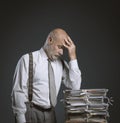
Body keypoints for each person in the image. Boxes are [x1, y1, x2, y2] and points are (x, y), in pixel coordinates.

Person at [11, 28, 82, 123]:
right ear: (50, 40)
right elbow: (18, 92)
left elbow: (75, 88)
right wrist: (20, 120)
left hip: (51, 115)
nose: (62, 52)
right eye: (60, 47)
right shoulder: (27, 59)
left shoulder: (61, 63)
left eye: (64, 49)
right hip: (31, 115)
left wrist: (73, 56)